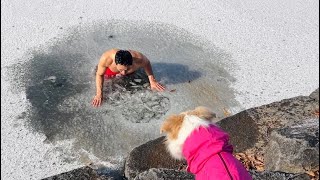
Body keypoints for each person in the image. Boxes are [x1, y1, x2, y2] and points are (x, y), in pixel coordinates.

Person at [92, 49, 165, 107]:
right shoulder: (106, 58)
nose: (123, 73)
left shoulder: (138, 58)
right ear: (115, 63)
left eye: (126, 69)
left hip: (131, 72)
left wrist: (152, 81)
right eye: (120, 69)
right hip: (110, 72)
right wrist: (99, 94)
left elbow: (147, 63)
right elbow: (99, 74)